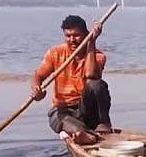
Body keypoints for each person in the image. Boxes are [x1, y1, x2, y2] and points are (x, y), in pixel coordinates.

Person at [32, 14, 116, 145]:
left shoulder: (98, 55)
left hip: (86, 109)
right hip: (63, 110)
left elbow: (92, 75)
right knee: (67, 123)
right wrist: (37, 90)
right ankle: (87, 135)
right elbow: (38, 76)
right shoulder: (55, 53)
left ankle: (103, 123)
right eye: (68, 36)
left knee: (96, 85)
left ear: (86, 34)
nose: (72, 40)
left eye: (76, 35)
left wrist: (91, 42)